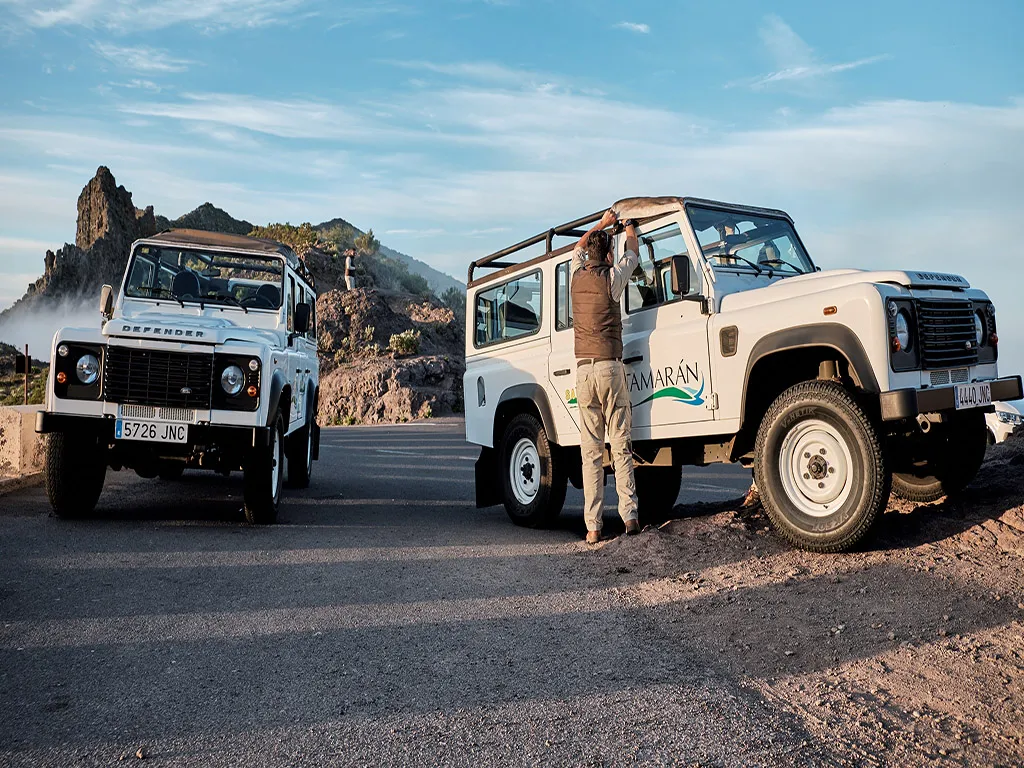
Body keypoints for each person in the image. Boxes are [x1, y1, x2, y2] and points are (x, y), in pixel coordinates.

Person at [570, 209, 641, 544]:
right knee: (621, 445)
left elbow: (577, 248)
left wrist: (601, 222)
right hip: (610, 366)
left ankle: (593, 527)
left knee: (591, 453)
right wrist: (629, 226)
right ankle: (629, 517)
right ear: (608, 254)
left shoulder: (575, 277)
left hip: (583, 371)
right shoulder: (611, 280)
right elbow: (634, 254)